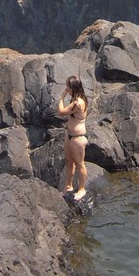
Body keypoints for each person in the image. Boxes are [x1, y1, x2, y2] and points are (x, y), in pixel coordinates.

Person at [56, 76, 90, 206]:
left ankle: (82, 189)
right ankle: (68, 186)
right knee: (69, 162)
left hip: (78, 138)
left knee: (80, 164)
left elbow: (61, 112)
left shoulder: (78, 103)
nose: (66, 89)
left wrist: (61, 97)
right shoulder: (75, 99)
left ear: (73, 88)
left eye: (68, 87)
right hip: (70, 136)